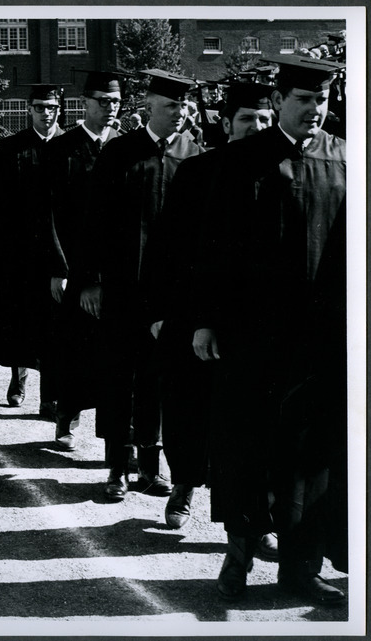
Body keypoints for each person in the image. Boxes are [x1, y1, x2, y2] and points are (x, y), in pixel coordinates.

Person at [192, 54, 347, 605]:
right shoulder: (239, 162)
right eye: (303, 100)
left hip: (322, 342)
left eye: (321, 100)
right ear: (280, 100)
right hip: (251, 338)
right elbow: (210, 249)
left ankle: (301, 569)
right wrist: (206, 319)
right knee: (246, 448)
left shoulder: (346, 159)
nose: (314, 110)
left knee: (311, 460)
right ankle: (238, 557)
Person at [144, 82, 276, 531]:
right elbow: (166, 247)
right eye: (246, 119)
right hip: (191, 308)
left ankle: (250, 516)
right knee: (187, 406)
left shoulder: (284, 169)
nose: (256, 127)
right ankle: (183, 485)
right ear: (225, 123)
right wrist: (161, 311)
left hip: (251, 317)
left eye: (263, 119)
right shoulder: (198, 171)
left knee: (247, 421)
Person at [78, 69, 206, 502]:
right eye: (171, 106)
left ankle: (151, 468)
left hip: (168, 295)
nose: (180, 113)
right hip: (121, 288)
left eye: (184, 106)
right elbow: (92, 222)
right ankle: (117, 467)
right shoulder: (120, 153)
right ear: (149, 106)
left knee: (159, 380)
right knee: (119, 376)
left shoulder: (194, 156)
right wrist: (91, 281)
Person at [43, 70, 124, 448]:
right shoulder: (62, 148)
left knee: (115, 355)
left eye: (115, 102)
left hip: (117, 271)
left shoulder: (126, 147)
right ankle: (66, 419)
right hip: (74, 267)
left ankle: (119, 441)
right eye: (102, 101)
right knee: (73, 348)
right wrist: (58, 269)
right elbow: (47, 214)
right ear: (85, 104)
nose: (110, 108)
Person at [0, 84, 64, 412]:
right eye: (41, 107)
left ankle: (51, 394)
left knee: (55, 322)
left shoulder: (68, 145)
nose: (47, 113)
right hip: (17, 252)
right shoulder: (11, 148)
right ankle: (19, 375)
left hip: (57, 253)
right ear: (30, 109)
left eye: (52, 107)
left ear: (60, 109)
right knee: (20, 318)